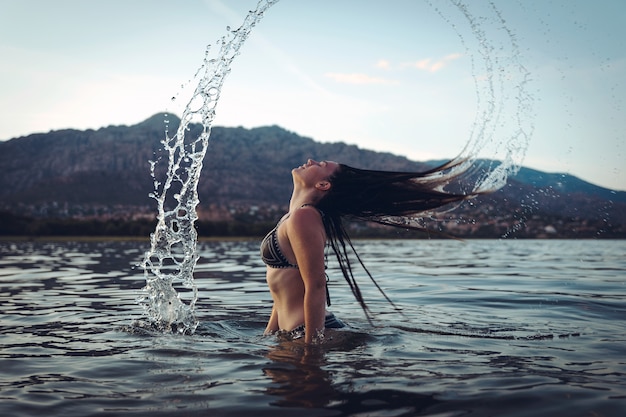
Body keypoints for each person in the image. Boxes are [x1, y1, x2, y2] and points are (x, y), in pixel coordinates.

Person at [261, 157, 482, 344]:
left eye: (320, 164)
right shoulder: (292, 217)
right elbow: (282, 289)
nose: (310, 161)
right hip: (293, 332)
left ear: (323, 185)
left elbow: (316, 286)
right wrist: (269, 335)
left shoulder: (304, 216)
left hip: (307, 332)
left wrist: (311, 350)